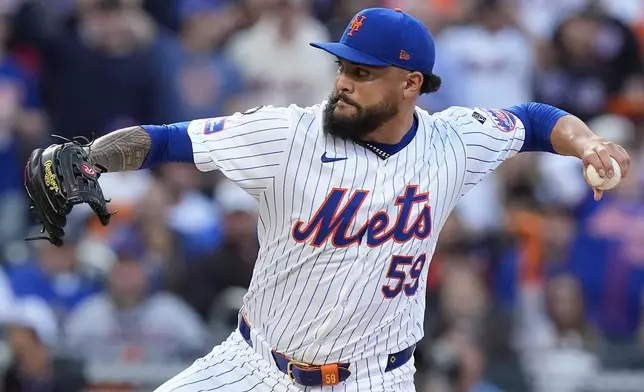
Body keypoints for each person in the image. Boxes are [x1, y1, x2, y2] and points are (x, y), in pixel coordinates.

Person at [24, 7, 631, 392]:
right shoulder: (285, 133)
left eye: (364, 73)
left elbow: (533, 119)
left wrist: (589, 143)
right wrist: (90, 158)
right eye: (344, 65)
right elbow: (163, 142)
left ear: (411, 84)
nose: (344, 80)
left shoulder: (455, 139)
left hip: (374, 379)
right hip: (254, 365)